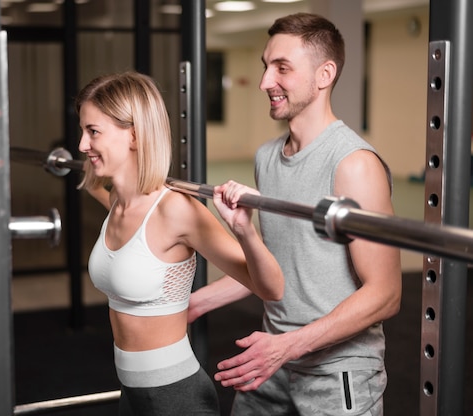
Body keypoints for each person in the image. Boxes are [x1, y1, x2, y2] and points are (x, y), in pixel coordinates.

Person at [188, 13, 402, 416]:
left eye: (282, 68)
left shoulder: (353, 164)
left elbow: (386, 294)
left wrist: (287, 346)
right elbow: (277, 262)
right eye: (266, 67)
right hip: (272, 358)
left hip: (337, 372)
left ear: (324, 74)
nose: (266, 81)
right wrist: (195, 303)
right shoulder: (267, 158)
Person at [75, 71, 284, 416]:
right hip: (131, 392)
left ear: (135, 135)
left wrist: (245, 231)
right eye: (83, 131)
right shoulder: (119, 203)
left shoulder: (177, 211)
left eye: (93, 132)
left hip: (176, 397)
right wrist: (94, 166)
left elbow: (272, 288)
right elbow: (97, 184)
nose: (83, 144)